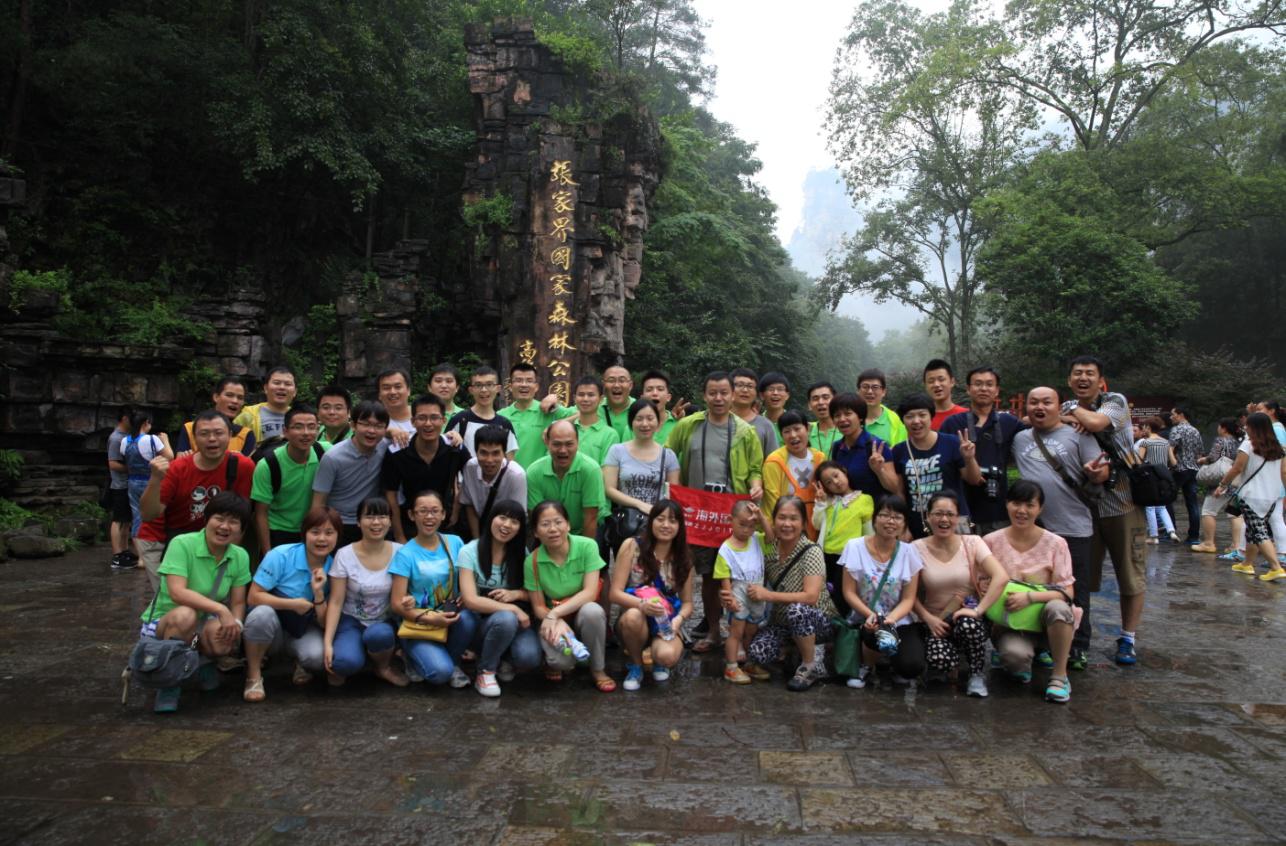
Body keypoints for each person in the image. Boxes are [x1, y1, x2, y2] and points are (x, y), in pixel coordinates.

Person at [1011, 386, 1110, 673]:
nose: (1039, 407)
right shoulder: (1020, 438)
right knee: (1038, 587)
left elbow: (1102, 472)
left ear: (1059, 406)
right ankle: (1043, 644)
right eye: (1034, 402)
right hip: (1034, 531)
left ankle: (1078, 646)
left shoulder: (1079, 435)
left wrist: (1097, 473)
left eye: (1047, 402)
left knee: (1075, 590)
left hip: (1073, 526)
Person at [666, 371, 765, 653]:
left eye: (724, 393)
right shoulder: (689, 425)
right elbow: (668, 455)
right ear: (704, 395)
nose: (718, 398)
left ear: (733, 395)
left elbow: (755, 468)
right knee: (703, 574)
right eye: (713, 393)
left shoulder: (745, 431)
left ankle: (738, 635)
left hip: (731, 514)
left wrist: (756, 485)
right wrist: (674, 489)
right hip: (697, 512)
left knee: (732, 577)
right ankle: (712, 632)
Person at [1061, 355, 1150, 665]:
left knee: (1130, 573)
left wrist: (1073, 413)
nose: (1083, 378)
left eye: (1090, 373)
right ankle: (1076, 638)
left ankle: (1128, 638)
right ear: (1069, 379)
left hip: (1124, 503)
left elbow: (1096, 423)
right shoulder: (1069, 407)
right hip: (1086, 507)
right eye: (1077, 373)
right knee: (1081, 577)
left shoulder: (1115, 401)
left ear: (1101, 380)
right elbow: (1040, 421)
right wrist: (1071, 416)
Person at [137, 491, 253, 713]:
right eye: (219, 518)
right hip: (166, 622)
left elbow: (239, 602)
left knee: (223, 635)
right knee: (185, 615)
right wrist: (221, 609)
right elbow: (177, 592)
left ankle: (203, 662)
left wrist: (236, 624)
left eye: (233, 522)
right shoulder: (182, 544)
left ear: (242, 529)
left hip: (202, 624)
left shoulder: (240, 556)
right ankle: (169, 683)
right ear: (206, 519)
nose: (225, 526)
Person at [137, 410, 255, 592]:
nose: (212, 439)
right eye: (204, 433)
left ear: (230, 435)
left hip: (211, 539)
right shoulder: (178, 469)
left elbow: (241, 517)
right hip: (162, 537)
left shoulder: (243, 466)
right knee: (172, 598)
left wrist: (230, 557)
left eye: (219, 433)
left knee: (209, 594)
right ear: (194, 438)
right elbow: (148, 514)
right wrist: (155, 479)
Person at [982, 481, 1079, 703]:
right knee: (1014, 660)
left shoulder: (1056, 544)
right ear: (1007, 504)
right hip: (1010, 622)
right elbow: (981, 583)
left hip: (1047, 619)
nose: (1022, 510)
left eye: (1029, 505)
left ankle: (1059, 676)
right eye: (1016, 503)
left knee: (1059, 608)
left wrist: (1030, 597)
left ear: (1040, 508)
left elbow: (1067, 591)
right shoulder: (991, 542)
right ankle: (1020, 659)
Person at [911, 491, 1009, 698]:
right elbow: (908, 594)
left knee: (968, 624)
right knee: (940, 660)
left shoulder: (972, 543)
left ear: (958, 518)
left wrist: (979, 610)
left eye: (950, 514)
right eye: (938, 513)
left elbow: (1001, 577)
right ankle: (951, 660)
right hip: (936, 621)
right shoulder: (916, 548)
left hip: (967, 616)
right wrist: (928, 619)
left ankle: (976, 673)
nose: (944, 519)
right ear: (927, 516)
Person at [241, 506, 341, 702]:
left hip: (302, 629)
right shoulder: (280, 555)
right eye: (315, 532)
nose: (322, 539)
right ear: (304, 533)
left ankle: (299, 663)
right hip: (273, 627)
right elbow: (253, 597)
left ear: (338, 536)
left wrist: (318, 594)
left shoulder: (336, 567)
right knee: (261, 615)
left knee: (316, 656)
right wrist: (292, 604)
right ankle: (253, 675)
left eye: (329, 533)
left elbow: (323, 622)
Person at [743, 496, 837, 692]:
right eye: (782, 517)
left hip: (816, 620)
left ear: (803, 523)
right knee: (758, 652)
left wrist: (768, 595)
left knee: (798, 611)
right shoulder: (770, 548)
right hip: (782, 622)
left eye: (793, 518)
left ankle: (809, 665)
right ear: (774, 520)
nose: (787, 524)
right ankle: (795, 649)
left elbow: (810, 597)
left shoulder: (811, 551)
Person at [389, 490, 478, 688]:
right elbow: (396, 604)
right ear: (412, 515)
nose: (429, 517)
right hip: (420, 623)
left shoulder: (455, 542)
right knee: (439, 673)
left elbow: (468, 578)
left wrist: (466, 594)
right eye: (422, 511)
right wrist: (430, 618)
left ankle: (452, 661)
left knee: (469, 619)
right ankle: (411, 655)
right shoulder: (405, 554)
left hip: (450, 617)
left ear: (443, 514)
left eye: (435, 511)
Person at [525, 500, 614, 691]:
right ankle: (558, 660)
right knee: (562, 662)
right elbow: (538, 607)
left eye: (558, 522)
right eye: (545, 524)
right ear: (535, 532)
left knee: (593, 611)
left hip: (577, 612)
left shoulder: (587, 546)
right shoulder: (531, 561)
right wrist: (555, 619)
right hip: (552, 617)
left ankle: (597, 669)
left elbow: (590, 593)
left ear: (568, 525)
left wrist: (555, 614)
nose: (553, 529)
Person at [458, 500, 543, 696]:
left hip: (515, 625)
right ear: (491, 519)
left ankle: (501, 658)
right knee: (506, 618)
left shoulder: (522, 553)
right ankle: (486, 672)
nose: (506, 525)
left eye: (514, 521)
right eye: (502, 518)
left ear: (521, 528)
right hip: (480, 623)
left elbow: (533, 593)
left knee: (529, 657)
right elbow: (470, 600)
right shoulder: (469, 551)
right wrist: (513, 608)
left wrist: (516, 594)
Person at [839, 495, 924, 689]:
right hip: (865, 617)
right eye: (885, 515)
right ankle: (866, 666)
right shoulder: (854, 547)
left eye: (897, 517)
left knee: (912, 665)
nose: (890, 521)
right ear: (874, 519)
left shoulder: (909, 552)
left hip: (898, 619)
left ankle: (893, 665)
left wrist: (891, 619)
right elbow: (848, 592)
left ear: (904, 524)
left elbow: (908, 598)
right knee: (875, 632)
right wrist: (871, 616)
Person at [609, 499, 695, 690]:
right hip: (635, 619)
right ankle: (636, 665)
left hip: (666, 622)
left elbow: (688, 602)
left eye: (672, 521)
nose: (666, 525)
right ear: (651, 521)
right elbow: (614, 593)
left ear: (680, 526)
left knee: (667, 656)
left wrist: (678, 620)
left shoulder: (684, 557)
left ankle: (658, 661)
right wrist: (641, 605)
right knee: (633, 616)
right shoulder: (632, 546)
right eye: (660, 519)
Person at [321, 497, 407, 687]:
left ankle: (382, 667)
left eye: (382, 516)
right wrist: (327, 643)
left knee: (379, 636)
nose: (376, 522)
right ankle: (355, 652)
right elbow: (335, 601)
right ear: (358, 522)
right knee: (344, 664)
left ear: (390, 521)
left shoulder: (401, 552)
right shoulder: (344, 554)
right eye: (369, 517)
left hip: (384, 622)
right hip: (351, 620)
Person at [940, 366, 1026, 534]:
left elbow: (1038, 431)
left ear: (997, 390)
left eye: (989, 384)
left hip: (998, 510)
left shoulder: (1008, 422)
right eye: (978, 384)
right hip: (961, 511)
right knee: (962, 551)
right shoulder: (953, 423)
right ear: (968, 389)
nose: (984, 388)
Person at [890, 393, 983, 538]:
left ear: (931, 416)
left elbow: (974, 479)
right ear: (903, 420)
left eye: (922, 415)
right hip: (919, 523)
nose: (916, 421)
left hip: (955, 522)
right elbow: (899, 492)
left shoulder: (952, 443)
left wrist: (969, 458)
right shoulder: (899, 451)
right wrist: (903, 527)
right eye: (909, 416)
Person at [381, 395, 469, 542]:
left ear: (443, 420)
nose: (428, 424)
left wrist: (456, 507)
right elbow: (391, 495)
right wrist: (399, 536)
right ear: (413, 422)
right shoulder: (397, 452)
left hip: (446, 521)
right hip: (409, 522)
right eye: (422, 418)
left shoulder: (454, 447)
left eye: (434, 418)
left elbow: (471, 477)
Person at [1213, 411, 1286, 582]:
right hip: (1272, 496)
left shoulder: (1248, 445)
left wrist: (1222, 485)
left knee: (1259, 532)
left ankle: (1276, 567)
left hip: (1251, 496)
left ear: (1254, 427)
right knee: (1253, 531)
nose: (1245, 427)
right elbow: (1284, 472)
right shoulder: (1279, 448)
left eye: (1248, 425)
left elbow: (1237, 468)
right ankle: (1247, 563)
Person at [312, 400, 390, 546]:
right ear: (353, 425)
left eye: (378, 426)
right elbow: (318, 502)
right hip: (339, 523)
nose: (371, 431)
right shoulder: (333, 457)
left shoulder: (385, 447)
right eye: (365, 424)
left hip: (372, 522)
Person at [250, 403, 324, 553]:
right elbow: (261, 513)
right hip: (278, 531)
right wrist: (267, 552)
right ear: (285, 431)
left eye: (311, 427)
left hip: (313, 529)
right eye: (298, 427)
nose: (306, 433)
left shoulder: (324, 452)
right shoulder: (268, 465)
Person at [714, 501, 773, 684]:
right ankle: (731, 667)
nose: (746, 530)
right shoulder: (726, 549)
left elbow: (771, 537)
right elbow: (724, 577)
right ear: (730, 520)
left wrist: (761, 517)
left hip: (757, 591)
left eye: (751, 525)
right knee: (736, 632)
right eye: (742, 524)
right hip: (738, 592)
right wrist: (729, 598)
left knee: (752, 630)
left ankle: (749, 663)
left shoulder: (757, 540)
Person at [812, 460, 875, 618]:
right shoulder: (827, 501)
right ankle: (830, 624)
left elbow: (869, 532)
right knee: (827, 592)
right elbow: (817, 524)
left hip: (849, 557)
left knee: (844, 595)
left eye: (836, 475)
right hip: (825, 555)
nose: (835, 482)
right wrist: (820, 503)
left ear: (844, 472)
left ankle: (845, 626)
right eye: (828, 482)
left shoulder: (864, 499)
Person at [602, 398, 681, 521]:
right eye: (639, 419)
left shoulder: (668, 456)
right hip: (626, 520)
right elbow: (609, 489)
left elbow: (673, 494)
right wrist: (639, 505)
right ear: (631, 423)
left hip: (657, 521)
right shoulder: (617, 451)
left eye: (650, 418)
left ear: (658, 422)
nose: (645, 424)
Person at [525, 419, 605, 539]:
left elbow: (591, 517)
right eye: (557, 444)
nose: (563, 450)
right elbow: (537, 517)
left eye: (569, 444)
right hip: (548, 534)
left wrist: (582, 549)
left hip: (583, 532)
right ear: (547, 442)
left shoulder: (590, 470)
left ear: (578, 443)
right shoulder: (534, 472)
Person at [497, 362, 575, 469]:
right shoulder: (500, 416)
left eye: (529, 381)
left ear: (536, 387)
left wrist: (555, 424)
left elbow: (584, 414)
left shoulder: (549, 410)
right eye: (519, 380)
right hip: (510, 476)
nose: (524, 385)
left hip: (540, 475)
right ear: (510, 387)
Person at [762, 410, 824, 536]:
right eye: (787, 431)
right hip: (786, 530)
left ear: (807, 429)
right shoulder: (774, 461)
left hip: (817, 527)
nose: (793, 435)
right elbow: (772, 502)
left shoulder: (820, 458)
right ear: (781, 435)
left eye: (797, 429)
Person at [1190, 417, 1245, 555]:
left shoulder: (1221, 440)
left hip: (1220, 482)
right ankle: (1236, 546)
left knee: (1208, 511)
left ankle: (1209, 543)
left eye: (1219, 426)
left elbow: (1213, 457)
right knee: (1234, 514)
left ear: (1224, 428)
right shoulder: (1239, 442)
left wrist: (1203, 460)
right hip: (1235, 480)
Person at [122, 409, 173, 556]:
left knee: (137, 516)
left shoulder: (125, 441)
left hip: (132, 481)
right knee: (154, 516)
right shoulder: (152, 439)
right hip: (151, 481)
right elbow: (169, 457)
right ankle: (151, 552)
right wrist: (165, 440)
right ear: (146, 423)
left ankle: (140, 555)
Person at [829, 393, 898, 500]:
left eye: (848, 414)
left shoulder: (877, 445)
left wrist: (879, 471)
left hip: (874, 508)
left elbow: (894, 488)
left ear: (860, 417)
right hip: (849, 509)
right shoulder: (837, 447)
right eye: (837, 415)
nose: (842, 419)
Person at [444, 366, 519, 459]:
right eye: (478, 385)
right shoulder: (459, 420)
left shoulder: (505, 424)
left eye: (489, 384)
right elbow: (445, 454)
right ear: (471, 390)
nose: (484, 390)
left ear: (498, 388)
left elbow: (509, 462)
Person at [175, 376, 256, 456]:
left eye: (240, 398)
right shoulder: (190, 429)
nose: (235, 401)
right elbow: (181, 460)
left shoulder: (246, 435)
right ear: (216, 397)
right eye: (229, 395)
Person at [1135, 416, 1180, 543]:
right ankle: (1171, 531)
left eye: (1145, 426)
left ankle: (1154, 536)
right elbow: (1174, 462)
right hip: (1163, 477)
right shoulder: (1166, 442)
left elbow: (1139, 461)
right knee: (1162, 506)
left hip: (1149, 478)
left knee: (1150, 507)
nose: (1144, 429)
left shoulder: (1145, 442)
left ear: (1149, 427)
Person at [235, 365, 297, 447]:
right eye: (277, 383)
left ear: (295, 392)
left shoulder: (300, 417)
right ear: (266, 388)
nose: (282, 387)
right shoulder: (248, 416)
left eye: (288, 384)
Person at [1167, 404, 1204, 543]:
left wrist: (1174, 463)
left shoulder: (1177, 429)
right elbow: (1200, 452)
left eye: (1173, 414)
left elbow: (1170, 448)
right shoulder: (1195, 430)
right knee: (1192, 503)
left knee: (1167, 498)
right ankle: (1194, 536)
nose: (1171, 417)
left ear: (1181, 415)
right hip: (1193, 469)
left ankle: (1170, 530)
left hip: (1180, 469)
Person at [107, 407, 135, 571]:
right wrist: (133, 469)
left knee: (126, 520)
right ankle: (117, 555)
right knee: (118, 519)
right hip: (119, 485)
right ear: (125, 418)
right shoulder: (116, 438)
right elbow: (112, 463)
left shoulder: (127, 436)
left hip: (127, 484)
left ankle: (125, 550)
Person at [731, 367, 780, 458]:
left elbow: (773, 461)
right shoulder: (717, 421)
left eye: (750, 386)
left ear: (756, 393)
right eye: (740, 385)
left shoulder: (765, 425)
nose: (745, 390)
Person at [572, 375, 621, 464]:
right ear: (575, 398)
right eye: (581, 395)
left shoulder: (610, 435)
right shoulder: (566, 430)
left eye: (591, 395)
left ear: (601, 399)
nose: (585, 399)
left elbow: (608, 469)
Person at [857, 369, 907, 446]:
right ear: (858, 391)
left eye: (875, 387)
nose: (870, 391)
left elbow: (902, 450)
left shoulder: (894, 421)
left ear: (883, 392)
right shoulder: (846, 418)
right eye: (865, 387)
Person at [639, 370, 682, 446]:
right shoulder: (632, 427)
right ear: (642, 397)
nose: (655, 393)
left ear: (668, 397)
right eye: (649, 389)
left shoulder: (679, 425)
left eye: (660, 389)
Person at [376, 367, 415, 451]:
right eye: (386, 388)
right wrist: (387, 431)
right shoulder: (373, 420)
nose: (392, 392)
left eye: (398, 387)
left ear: (408, 390)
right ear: (379, 394)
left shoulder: (422, 415)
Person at [923, 359, 968, 430]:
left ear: (952, 382)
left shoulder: (966, 416)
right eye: (931, 381)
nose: (936, 384)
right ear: (925, 385)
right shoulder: (921, 421)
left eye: (941, 380)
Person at [600, 364, 637, 443]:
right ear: (603, 385)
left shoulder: (640, 409)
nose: (616, 385)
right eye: (611, 380)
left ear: (630, 385)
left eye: (622, 380)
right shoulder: (594, 408)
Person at [806, 381, 840, 455]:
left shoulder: (847, 430)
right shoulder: (805, 433)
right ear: (809, 405)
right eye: (815, 399)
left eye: (825, 397)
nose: (820, 402)